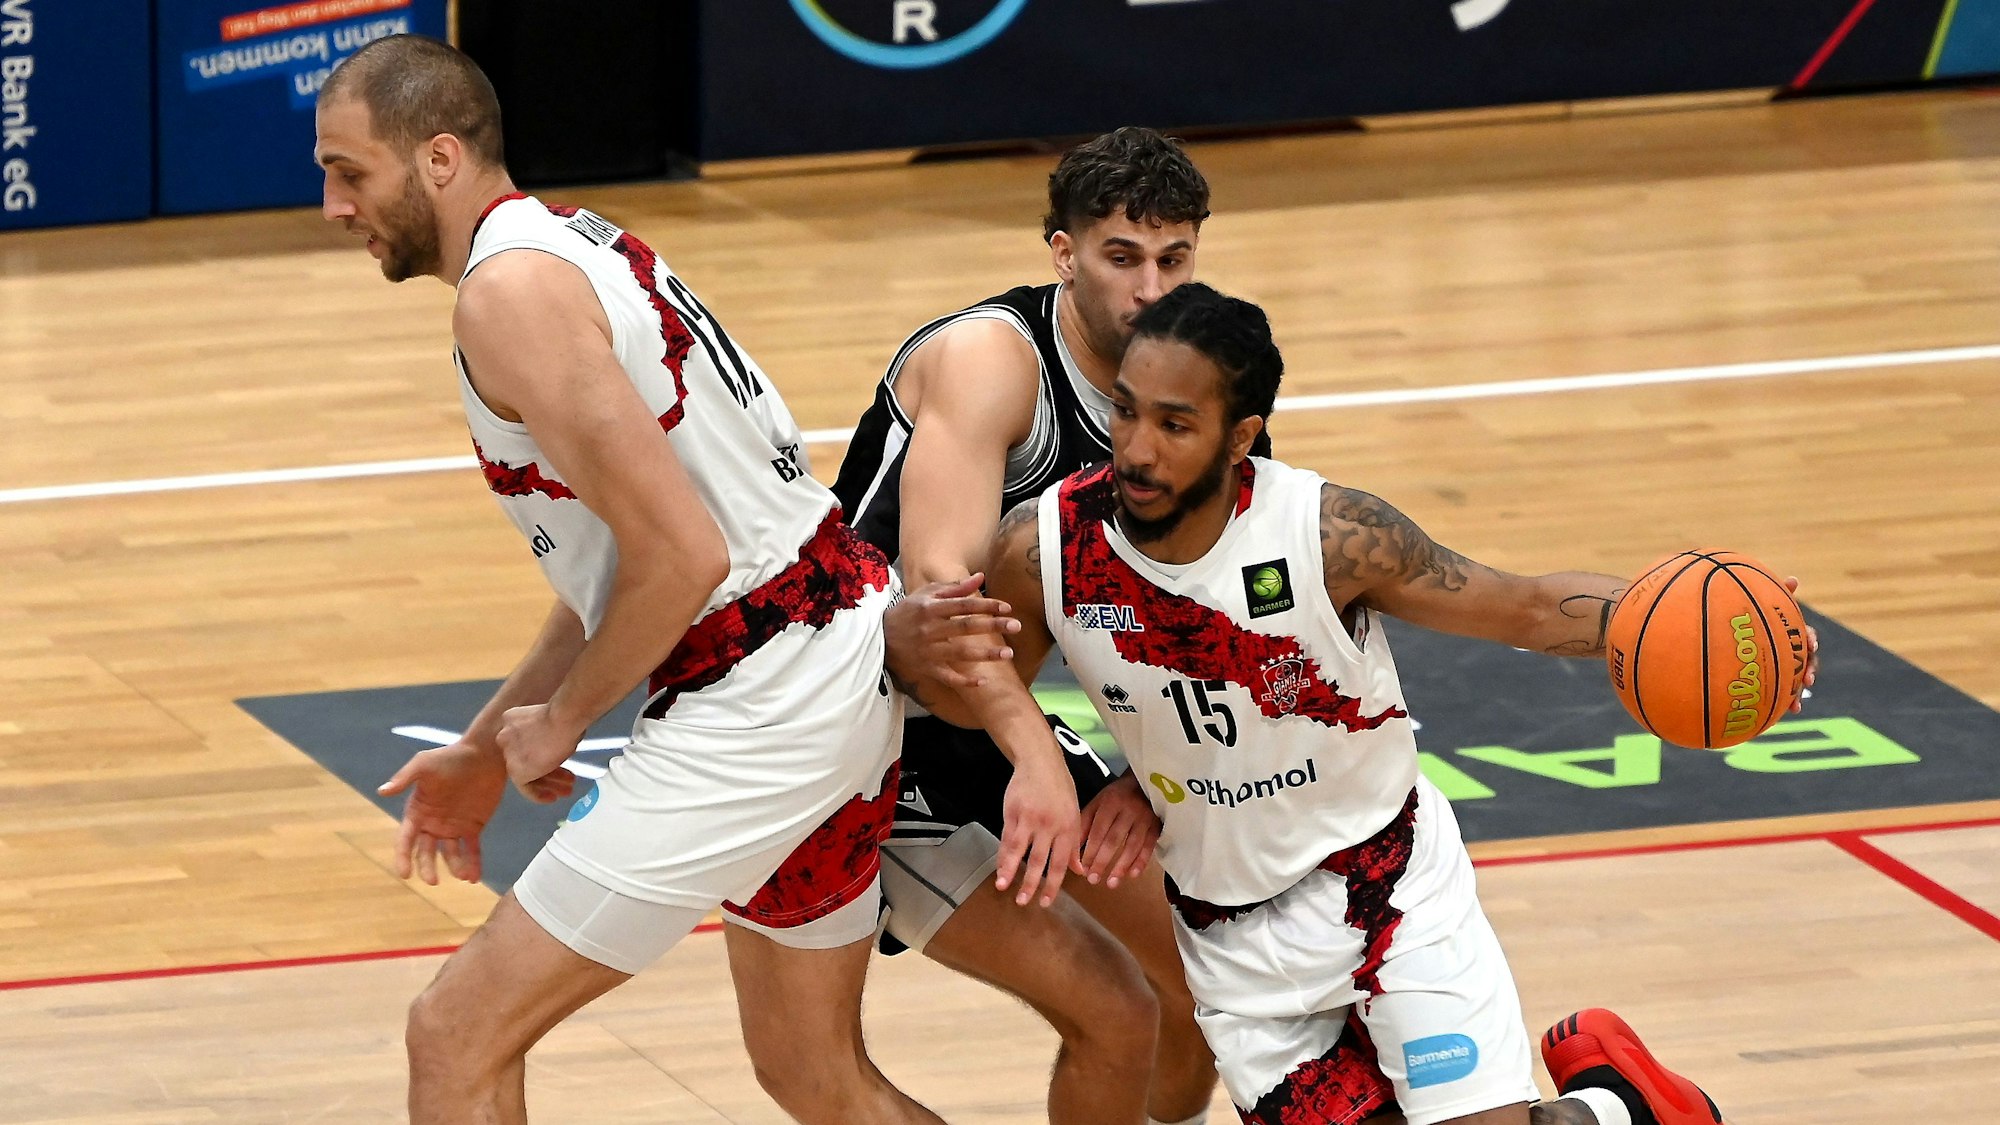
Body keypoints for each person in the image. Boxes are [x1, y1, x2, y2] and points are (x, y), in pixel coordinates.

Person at [315, 34, 1071, 1125]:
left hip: (763, 704)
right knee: (813, 1072)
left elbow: (682, 560)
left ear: (439, 158)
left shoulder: (506, 296)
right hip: (832, 656)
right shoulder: (574, 242)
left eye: (350, 172)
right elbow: (621, 563)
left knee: (456, 1033)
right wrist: (485, 745)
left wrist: (562, 721)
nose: (334, 205)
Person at [945, 281, 1821, 1125]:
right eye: (1126, 410)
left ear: (1240, 436)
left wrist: (1713, 625)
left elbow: (1521, 606)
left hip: (1391, 885)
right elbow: (973, 683)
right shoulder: (1046, 550)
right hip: (1232, 929)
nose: (1136, 448)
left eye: (1174, 424)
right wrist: (1083, 768)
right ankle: (1616, 1105)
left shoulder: (1330, 537)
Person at [836, 127, 1221, 1125]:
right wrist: (1040, 758)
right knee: (1119, 1014)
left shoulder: (1189, 386)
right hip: (859, 725)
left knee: (1206, 983)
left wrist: (1145, 775)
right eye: (1122, 258)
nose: (1150, 290)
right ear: (1063, 253)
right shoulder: (990, 360)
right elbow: (938, 599)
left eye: (1173, 259)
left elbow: (1201, 604)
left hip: (980, 717)